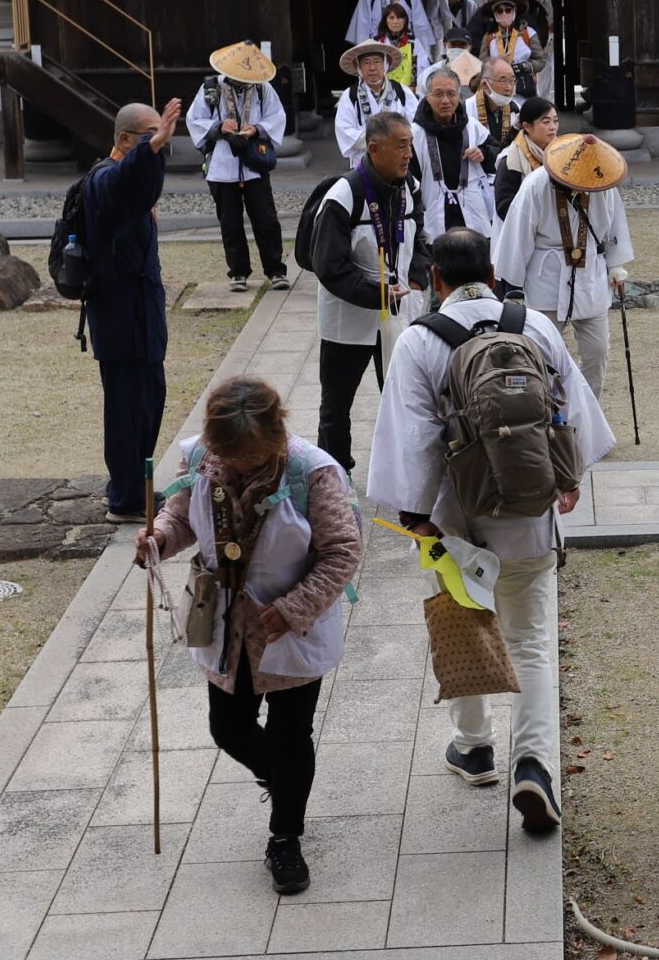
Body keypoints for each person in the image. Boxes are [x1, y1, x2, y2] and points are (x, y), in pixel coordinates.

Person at [368, 227, 613, 833]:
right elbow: (570, 409)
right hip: (529, 511)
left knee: (464, 623)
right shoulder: (534, 326)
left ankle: (474, 748)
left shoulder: (420, 339)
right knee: (530, 640)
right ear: (492, 274)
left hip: (456, 516)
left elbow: (413, 434)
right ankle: (535, 765)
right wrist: (569, 478)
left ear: (436, 280)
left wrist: (415, 511)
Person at [136, 375, 360, 895]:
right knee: (229, 728)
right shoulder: (200, 458)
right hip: (224, 620)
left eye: (252, 456)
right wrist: (160, 538)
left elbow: (342, 550)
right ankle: (282, 782)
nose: (239, 465)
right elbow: (180, 516)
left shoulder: (312, 471)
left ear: (276, 433)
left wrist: (295, 606)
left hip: (289, 628)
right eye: (230, 456)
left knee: (290, 735)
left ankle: (285, 837)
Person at [307, 110, 427, 476]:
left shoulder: (409, 187)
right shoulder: (344, 194)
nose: (408, 154)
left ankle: (405, 469)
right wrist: (376, 294)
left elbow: (420, 237)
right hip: (349, 314)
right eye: (401, 146)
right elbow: (329, 266)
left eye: (410, 145)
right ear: (374, 149)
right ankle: (333, 473)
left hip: (399, 306)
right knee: (336, 402)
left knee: (404, 394)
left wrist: (418, 275)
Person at [82, 97, 184, 521]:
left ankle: (133, 488)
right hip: (119, 316)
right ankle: (125, 499)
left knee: (148, 402)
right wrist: (152, 148)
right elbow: (125, 185)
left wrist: (152, 149)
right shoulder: (103, 178)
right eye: (147, 135)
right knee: (126, 410)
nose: (157, 143)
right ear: (124, 139)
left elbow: (141, 187)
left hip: (142, 314)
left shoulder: (132, 177)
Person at [493, 130, 633, 397]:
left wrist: (616, 265)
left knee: (597, 353)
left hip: (590, 275)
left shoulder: (602, 181)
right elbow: (517, 236)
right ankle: (547, 410)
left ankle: (588, 409)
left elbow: (615, 226)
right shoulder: (536, 185)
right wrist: (513, 287)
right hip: (546, 276)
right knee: (542, 352)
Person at [184, 41, 289, 295]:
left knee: (266, 218)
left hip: (253, 162)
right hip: (222, 164)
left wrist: (257, 129)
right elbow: (194, 119)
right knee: (229, 222)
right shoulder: (212, 88)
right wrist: (219, 127)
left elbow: (277, 116)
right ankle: (238, 271)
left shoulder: (262, 87)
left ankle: (276, 270)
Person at [410, 62, 496, 248]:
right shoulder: (415, 133)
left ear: (459, 95)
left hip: (472, 211)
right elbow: (410, 180)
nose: (445, 100)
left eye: (451, 94)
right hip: (433, 214)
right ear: (427, 96)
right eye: (438, 94)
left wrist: (483, 153)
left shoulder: (471, 125)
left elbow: (496, 155)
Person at [333, 39, 413, 163]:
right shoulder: (349, 96)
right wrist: (381, 141)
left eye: (377, 62)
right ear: (358, 67)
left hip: (398, 161)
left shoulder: (402, 91)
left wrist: (395, 140)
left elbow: (415, 126)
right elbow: (344, 130)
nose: (372, 68)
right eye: (366, 63)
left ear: (386, 64)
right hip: (362, 163)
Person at [493, 95, 557, 219]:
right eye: (546, 122)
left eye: (555, 121)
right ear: (527, 127)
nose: (553, 127)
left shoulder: (561, 151)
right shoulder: (511, 160)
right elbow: (504, 207)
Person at [473, 0, 544, 97]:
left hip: (523, 88)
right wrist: (496, 62)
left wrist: (526, 66)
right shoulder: (489, 37)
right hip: (497, 88)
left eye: (508, 10)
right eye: (499, 11)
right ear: (494, 15)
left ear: (515, 11)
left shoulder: (528, 33)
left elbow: (541, 60)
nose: (504, 14)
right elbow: (482, 63)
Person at [472, 57, 523, 164]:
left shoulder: (516, 110)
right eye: (503, 81)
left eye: (512, 81)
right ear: (485, 85)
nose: (509, 88)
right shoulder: (467, 110)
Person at [374, 0, 425, 97]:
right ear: (385, 20)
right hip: (382, 92)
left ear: (404, 20)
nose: (395, 21)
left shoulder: (414, 43)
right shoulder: (376, 42)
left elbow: (422, 68)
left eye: (399, 17)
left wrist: (415, 92)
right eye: (391, 18)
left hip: (408, 93)